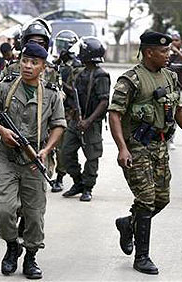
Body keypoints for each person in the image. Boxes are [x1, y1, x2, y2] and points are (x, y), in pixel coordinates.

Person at [108, 31, 182, 275]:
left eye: (169, 50)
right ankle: (142, 257)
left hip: (160, 146)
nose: (169, 55)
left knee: (161, 199)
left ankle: (128, 223)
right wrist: (122, 148)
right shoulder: (131, 80)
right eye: (164, 51)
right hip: (136, 147)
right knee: (147, 199)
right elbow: (115, 114)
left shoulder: (170, 77)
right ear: (149, 52)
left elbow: (178, 108)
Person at [0, 42, 66, 279]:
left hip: (35, 160)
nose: (28, 66)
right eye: (25, 61)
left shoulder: (51, 94)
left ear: (44, 67)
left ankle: (30, 257)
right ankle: (11, 246)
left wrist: (46, 150)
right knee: (4, 209)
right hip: (7, 158)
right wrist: (1, 131)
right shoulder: (7, 87)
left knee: (34, 215)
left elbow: (59, 125)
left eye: (34, 62)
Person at [61, 36, 110, 202]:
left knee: (92, 156)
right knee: (66, 153)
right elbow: (75, 94)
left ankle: (88, 187)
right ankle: (78, 182)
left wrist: (88, 121)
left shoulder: (101, 75)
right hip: (76, 120)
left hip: (91, 123)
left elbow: (104, 102)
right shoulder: (81, 73)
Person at [50, 29, 80, 193]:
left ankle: (60, 177)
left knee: (62, 147)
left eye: (64, 45)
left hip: (67, 111)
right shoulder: (56, 64)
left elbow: (76, 91)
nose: (61, 48)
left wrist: (62, 86)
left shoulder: (76, 66)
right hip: (52, 110)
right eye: (59, 44)